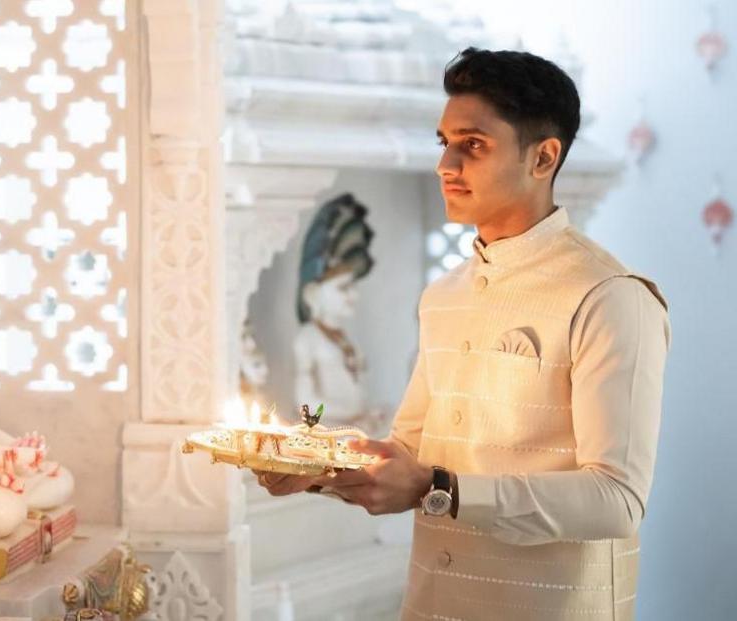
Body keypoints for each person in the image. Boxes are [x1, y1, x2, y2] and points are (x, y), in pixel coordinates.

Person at [256, 47, 670, 620]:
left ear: (543, 157)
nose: (445, 164)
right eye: (443, 142)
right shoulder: (444, 296)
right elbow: (411, 454)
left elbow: (616, 500)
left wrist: (439, 486)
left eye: (472, 144)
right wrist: (314, 470)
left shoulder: (609, 296)